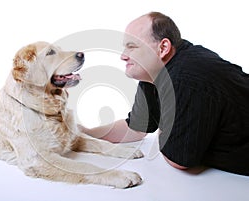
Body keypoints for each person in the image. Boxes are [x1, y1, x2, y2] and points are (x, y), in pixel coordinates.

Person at [79, 11, 249, 176]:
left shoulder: (186, 78)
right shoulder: (154, 72)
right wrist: (84, 134)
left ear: (163, 48)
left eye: (132, 47)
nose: (123, 56)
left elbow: (179, 159)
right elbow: (136, 128)